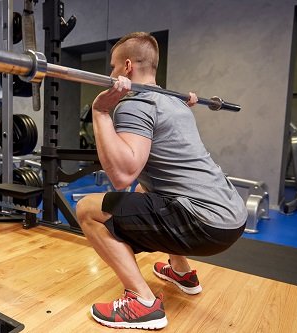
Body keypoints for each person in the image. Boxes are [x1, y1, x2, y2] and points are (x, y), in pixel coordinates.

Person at [75, 32, 248, 330]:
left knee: (88, 209)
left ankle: (141, 302)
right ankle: (181, 272)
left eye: (113, 67)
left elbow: (121, 176)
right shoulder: (175, 104)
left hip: (203, 222)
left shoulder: (136, 104)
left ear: (127, 67)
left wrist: (101, 111)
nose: (111, 74)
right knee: (146, 188)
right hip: (232, 216)